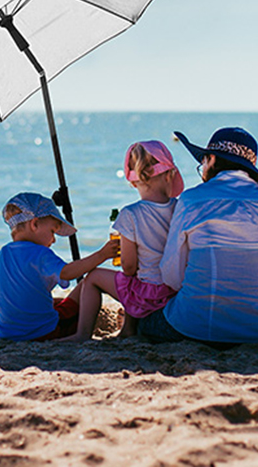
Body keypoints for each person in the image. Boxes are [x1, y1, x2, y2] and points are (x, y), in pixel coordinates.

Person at [139, 127, 258, 345]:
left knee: (145, 322)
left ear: (212, 159)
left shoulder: (191, 200)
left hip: (193, 327)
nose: (202, 170)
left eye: (203, 163)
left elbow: (172, 275)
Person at [67, 141, 184, 341]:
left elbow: (129, 267)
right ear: (169, 175)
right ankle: (127, 330)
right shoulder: (181, 208)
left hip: (149, 294)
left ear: (133, 181)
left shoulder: (130, 215)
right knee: (132, 280)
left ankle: (82, 334)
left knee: (95, 277)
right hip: (175, 291)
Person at [0, 192, 119, 342]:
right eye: (52, 231)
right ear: (34, 224)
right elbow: (67, 272)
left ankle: (14, 325)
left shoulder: (2, 254)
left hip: (7, 332)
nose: (54, 240)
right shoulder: (40, 253)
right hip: (43, 332)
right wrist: (102, 255)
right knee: (88, 282)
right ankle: (82, 335)